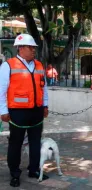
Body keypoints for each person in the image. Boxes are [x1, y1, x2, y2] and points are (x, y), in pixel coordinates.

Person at [0, 34, 49, 187]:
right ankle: (15, 173)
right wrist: (3, 111)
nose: (34, 50)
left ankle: (33, 169)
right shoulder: (8, 65)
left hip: (36, 111)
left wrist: (45, 105)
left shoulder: (39, 65)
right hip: (17, 112)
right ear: (21, 48)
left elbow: (44, 88)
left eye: (34, 48)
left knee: (35, 142)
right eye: (31, 47)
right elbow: (1, 90)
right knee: (16, 143)